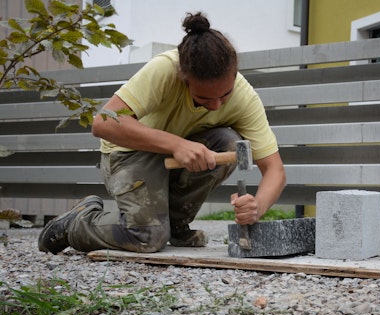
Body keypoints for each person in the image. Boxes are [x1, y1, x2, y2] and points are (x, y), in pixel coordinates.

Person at [38, 12, 286, 254]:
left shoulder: (244, 96)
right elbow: (103, 124)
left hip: (172, 160)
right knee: (147, 238)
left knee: (229, 143)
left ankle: (176, 224)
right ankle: (79, 221)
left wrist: (257, 206)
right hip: (129, 154)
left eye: (225, 94)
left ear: (234, 74)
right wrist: (176, 144)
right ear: (183, 77)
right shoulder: (165, 69)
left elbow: (275, 169)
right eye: (203, 98)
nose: (216, 105)